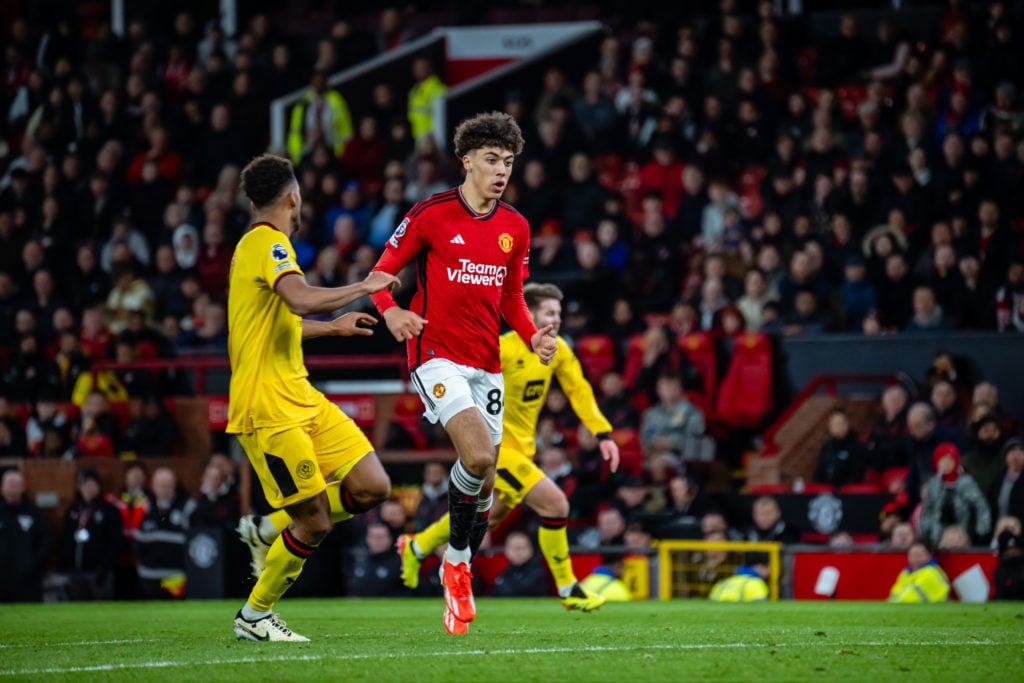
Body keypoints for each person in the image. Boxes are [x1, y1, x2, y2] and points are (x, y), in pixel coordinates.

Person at [369, 111, 558, 635]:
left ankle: (456, 561)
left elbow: (513, 297)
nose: (502, 171)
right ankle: (456, 564)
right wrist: (392, 312)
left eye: (509, 162)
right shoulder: (431, 214)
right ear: (467, 161)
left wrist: (532, 335)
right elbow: (379, 277)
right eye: (493, 161)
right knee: (476, 456)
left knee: (486, 487)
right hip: (436, 354)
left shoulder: (515, 227)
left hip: (486, 365)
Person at [227, 154, 400, 642]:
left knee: (373, 486)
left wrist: (334, 328)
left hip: (301, 395)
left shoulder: (260, 249)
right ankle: (255, 616)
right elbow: (299, 298)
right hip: (268, 406)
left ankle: (269, 527)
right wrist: (364, 287)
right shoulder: (268, 243)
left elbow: (285, 321)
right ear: (291, 197)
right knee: (316, 522)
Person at [396, 283, 620, 615]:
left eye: (558, 314)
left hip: (523, 450)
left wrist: (603, 433)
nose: (556, 320)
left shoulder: (558, 350)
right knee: (556, 503)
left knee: (487, 518)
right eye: (549, 313)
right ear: (528, 315)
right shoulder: (501, 349)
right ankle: (568, 588)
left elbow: (579, 388)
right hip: (496, 449)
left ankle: (416, 546)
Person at [919, 443, 991, 545]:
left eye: (950, 460)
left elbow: (980, 504)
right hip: (937, 531)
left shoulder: (966, 482)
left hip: (962, 529)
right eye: (942, 461)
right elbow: (928, 508)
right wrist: (926, 528)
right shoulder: (934, 484)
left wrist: (982, 529)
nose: (946, 464)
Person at [0, 469, 52, 602]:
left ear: (23, 487)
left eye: (17, 485)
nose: (13, 489)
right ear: (2, 487)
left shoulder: (34, 513)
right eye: (10, 484)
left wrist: (33, 564)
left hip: (28, 579)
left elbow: (46, 541)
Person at [490, 531, 550, 598]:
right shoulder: (505, 569)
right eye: (515, 548)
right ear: (506, 550)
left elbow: (520, 590)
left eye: (523, 548)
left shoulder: (537, 570)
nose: (519, 552)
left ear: (531, 550)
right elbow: (494, 592)